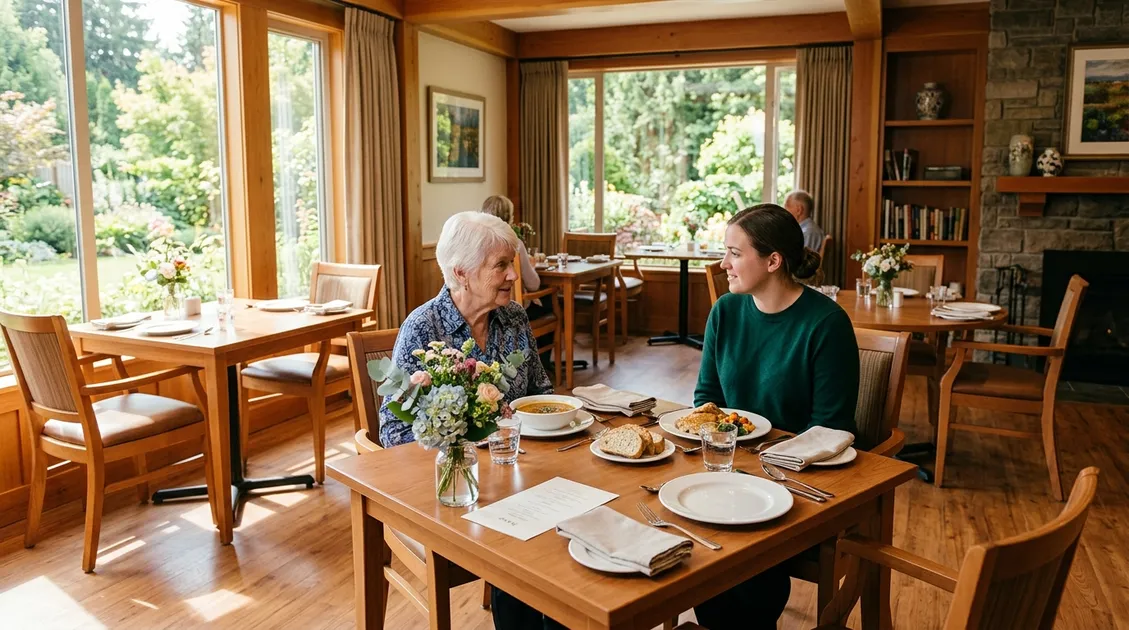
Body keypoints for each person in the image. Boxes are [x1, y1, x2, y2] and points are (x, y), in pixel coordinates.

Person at [693, 203, 859, 629]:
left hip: (798, 479)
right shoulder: (725, 313)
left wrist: (762, 467)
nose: (723, 263)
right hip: (729, 468)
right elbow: (706, 400)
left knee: (742, 568)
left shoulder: (826, 324)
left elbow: (831, 427)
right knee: (687, 539)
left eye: (734, 252)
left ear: (773, 261)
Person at [378, 211, 554, 448]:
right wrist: (456, 446)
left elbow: (540, 391)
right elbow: (393, 431)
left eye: (511, 262)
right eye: (501, 265)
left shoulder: (515, 316)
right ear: (461, 273)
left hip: (518, 459)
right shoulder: (422, 327)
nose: (513, 274)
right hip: (454, 471)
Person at [481, 195, 540, 295]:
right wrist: (532, 267)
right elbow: (533, 285)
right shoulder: (515, 244)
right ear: (508, 218)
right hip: (510, 304)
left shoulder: (477, 244)